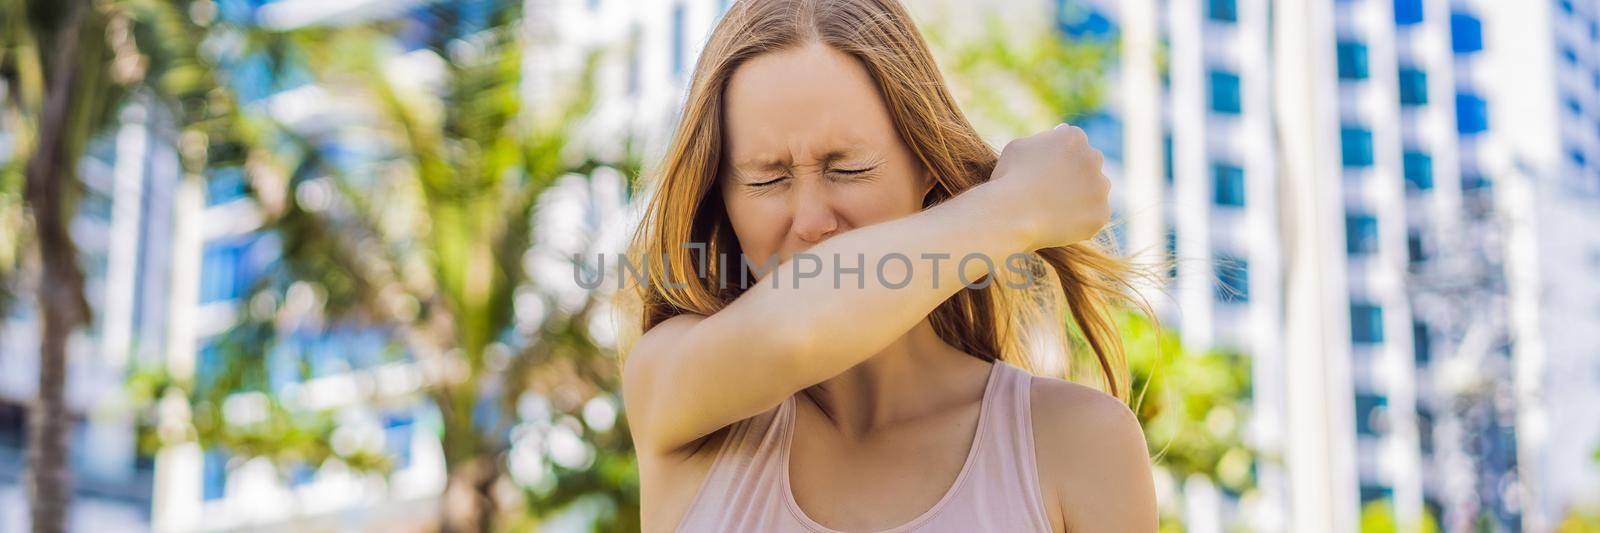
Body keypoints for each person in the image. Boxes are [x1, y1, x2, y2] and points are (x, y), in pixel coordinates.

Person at [620, 0, 1158, 530]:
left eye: (848, 169)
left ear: (927, 166)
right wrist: (1020, 204)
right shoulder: (677, 392)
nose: (811, 220)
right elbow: (796, 332)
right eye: (767, 179)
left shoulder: (1077, 444)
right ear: (723, 197)